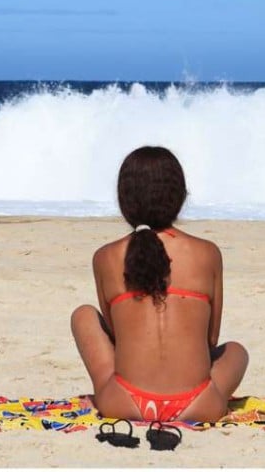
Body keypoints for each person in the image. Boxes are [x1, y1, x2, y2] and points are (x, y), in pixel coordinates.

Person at [71, 146, 248, 422]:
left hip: (124, 403)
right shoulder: (207, 253)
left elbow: (118, 339)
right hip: (199, 404)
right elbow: (210, 340)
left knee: (83, 315)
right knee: (236, 351)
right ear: (180, 197)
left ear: (124, 200)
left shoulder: (105, 257)